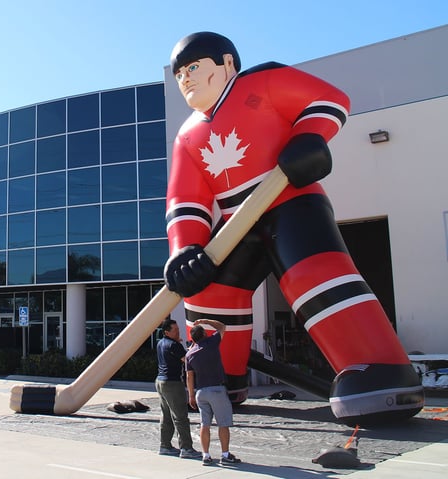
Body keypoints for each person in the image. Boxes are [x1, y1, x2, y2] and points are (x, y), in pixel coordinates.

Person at [164, 31, 423, 425]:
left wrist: (308, 138)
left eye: (194, 66)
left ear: (228, 64)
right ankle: (220, 381)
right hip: (237, 221)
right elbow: (186, 201)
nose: (185, 78)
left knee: (315, 275)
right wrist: (185, 248)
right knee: (207, 289)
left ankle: (379, 369)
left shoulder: (263, 82)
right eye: (180, 72)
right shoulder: (187, 136)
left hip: (291, 200)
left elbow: (329, 100)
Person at [186, 318, 240, 466]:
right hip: (216, 389)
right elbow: (222, 326)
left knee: (205, 424)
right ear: (204, 334)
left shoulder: (190, 354)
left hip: (200, 392)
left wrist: (191, 395)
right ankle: (225, 454)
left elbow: (189, 376)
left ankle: (206, 455)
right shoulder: (211, 343)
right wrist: (205, 320)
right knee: (223, 423)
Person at [155, 318, 201, 459]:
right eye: (175, 330)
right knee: (181, 416)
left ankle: (165, 445)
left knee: (166, 415)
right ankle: (186, 448)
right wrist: (195, 347)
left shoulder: (161, 343)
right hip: (172, 383)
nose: (178, 332)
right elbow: (187, 360)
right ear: (167, 332)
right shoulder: (174, 345)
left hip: (160, 381)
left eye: (178, 329)